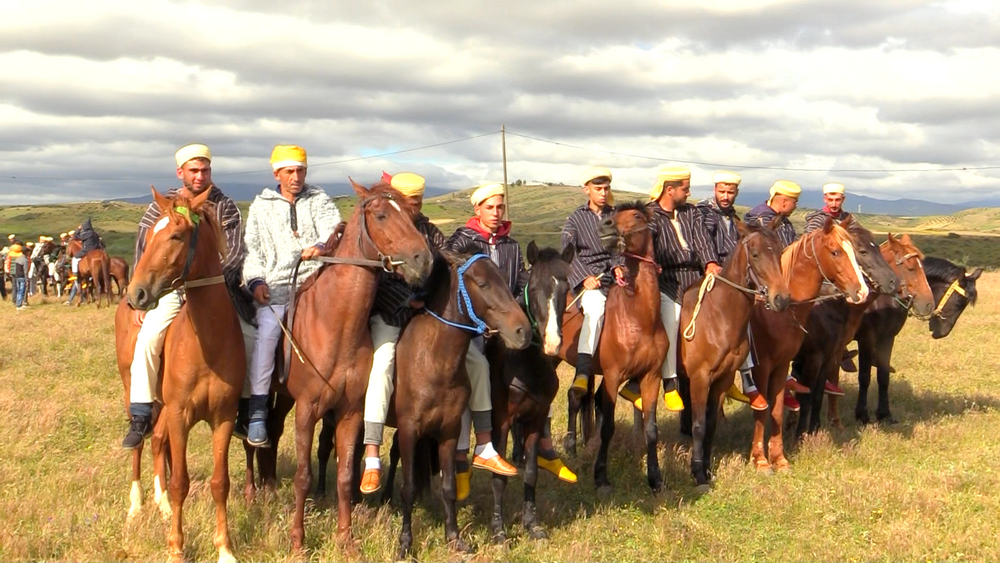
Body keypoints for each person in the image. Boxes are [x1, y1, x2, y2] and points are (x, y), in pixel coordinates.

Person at [122, 143, 255, 449]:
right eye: (193, 170)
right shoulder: (160, 206)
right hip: (171, 288)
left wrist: (212, 283)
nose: (199, 175)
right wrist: (149, 291)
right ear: (180, 172)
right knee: (149, 337)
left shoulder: (225, 205)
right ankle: (141, 413)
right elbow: (146, 249)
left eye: (204, 170)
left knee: (249, 336)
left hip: (214, 290)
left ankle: (245, 410)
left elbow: (234, 252)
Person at [242, 144, 341, 447]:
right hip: (277, 291)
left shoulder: (319, 200)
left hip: (318, 285)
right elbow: (253, 249)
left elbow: (334, 229)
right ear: (277, 173)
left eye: (301, 170)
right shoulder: (262, 205)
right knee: (266, 338)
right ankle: (258, 411)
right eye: (290, 171)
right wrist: (256, 281)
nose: (297, 176)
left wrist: (323, 246)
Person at [360, 172, 447, 495]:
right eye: (411, 203)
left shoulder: (428, 230)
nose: (416, 209)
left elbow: (444, 260)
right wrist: (405, 300)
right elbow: (375, 280)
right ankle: (371, 454)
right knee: (382, 363)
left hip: (426, 315)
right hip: (391, 313)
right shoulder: (384, 225)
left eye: (420, 202)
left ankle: (460, 452)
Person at [443, 183, 526, 497]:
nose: (496, 213)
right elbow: (450, 281)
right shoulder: (462, 240)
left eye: (500, 207)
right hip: (471, 330)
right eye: (490, 207)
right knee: (471, 379)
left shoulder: (512, 246)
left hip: (501, 329)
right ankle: (468, 456)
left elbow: (517, 287)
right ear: (477, 210)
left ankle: (541, 441)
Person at [633, 166, 722, 412]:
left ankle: (732, 373)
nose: (689, 192)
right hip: (667, 281)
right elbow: (646, 246)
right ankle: (670, 384)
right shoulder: (650, 215)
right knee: (670, 321)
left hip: (695, 277)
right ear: (669, 190)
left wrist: (711, 263)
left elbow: (703, 240)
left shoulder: (691, 212)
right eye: (685, 188)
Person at [696, 172, 768, 410]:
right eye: (722, 192)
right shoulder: (703, 213)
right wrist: (709, 262)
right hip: (705, 275)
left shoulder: (736, 218)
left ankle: (744, 378)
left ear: (736, 193)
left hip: (733, 281)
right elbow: (702, 241)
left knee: (745, 321)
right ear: (714, 189)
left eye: (730, 192)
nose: (725, 197)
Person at [744, 180, 811, 411]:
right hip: (761, 283)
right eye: (794, 203)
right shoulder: (761, 221)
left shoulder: (783, 221)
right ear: (783, 201)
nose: (795, 207)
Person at [565, 166, 622, 400]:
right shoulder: (575, 219)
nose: (603, 192)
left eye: (606, 188)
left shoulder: (616, 215)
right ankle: (583, 370)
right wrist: (584, 277)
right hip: (589, 279)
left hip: (615, 277)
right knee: (595, 309)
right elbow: (568, 251)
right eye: (598, 188)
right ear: (586, 190)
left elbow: (622, 246)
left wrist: (619, 264)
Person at [802, 182, 852, 397]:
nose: (833, 203)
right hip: (821, 278)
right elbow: (812, 250)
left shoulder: (849, 219)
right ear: (824, 199)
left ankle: (846, 345)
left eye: (837, 199)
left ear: (843, 199)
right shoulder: (817, 221)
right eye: (830, 199)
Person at [10, 244, 28, 310]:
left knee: (18, 290)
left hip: (17, 276)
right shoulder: (25, 260)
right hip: (22, 277)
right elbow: (25, 271)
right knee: (21, 291)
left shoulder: (17, 259)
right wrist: (27, 280)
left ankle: (18, 303)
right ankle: (19, 305)